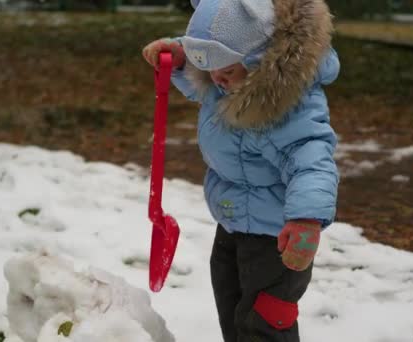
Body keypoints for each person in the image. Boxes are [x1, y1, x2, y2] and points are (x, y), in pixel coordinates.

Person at [142, 0, 340, 341]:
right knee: (233, 310)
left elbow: (312, 161)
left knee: (264, 322)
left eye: (226, 71)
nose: (217, 80)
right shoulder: (228, 80)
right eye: (210, 70)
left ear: (259, 59)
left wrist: (306, 219)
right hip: (233, 223)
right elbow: (204, 79)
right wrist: (180, 61)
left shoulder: (290, 104)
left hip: (278, 238)